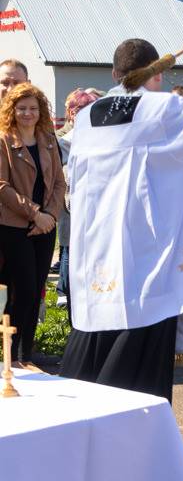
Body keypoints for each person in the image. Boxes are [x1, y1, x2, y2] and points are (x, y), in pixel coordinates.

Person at [61, 21, 183, 401]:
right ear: (158, 73)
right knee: (137, 379)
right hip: (146, 261)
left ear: (115, 74)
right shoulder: (163, 110)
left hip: (97, 255)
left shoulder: (87, 117)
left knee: (91, 355)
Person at [0, 83, 64, 367]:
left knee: (36, 289)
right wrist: (35, 213)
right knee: (21, 290)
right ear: (12, 110)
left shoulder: (48, 139)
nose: (28, 113)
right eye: (22, 108)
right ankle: (11, 356)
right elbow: (2, 185)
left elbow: (60, 183)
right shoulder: (4, 140)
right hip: (14, 226)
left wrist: (50, 216)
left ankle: (26, 355)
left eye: (33, 108)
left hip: (46, 226)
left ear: (41, 111)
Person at [55, 89, 100, 310]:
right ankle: (67, 297)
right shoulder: (63, 141)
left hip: (97, 212)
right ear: (72, 113)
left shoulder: (101, 137)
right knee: (70, 253)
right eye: (81, 110)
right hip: (72, 209)